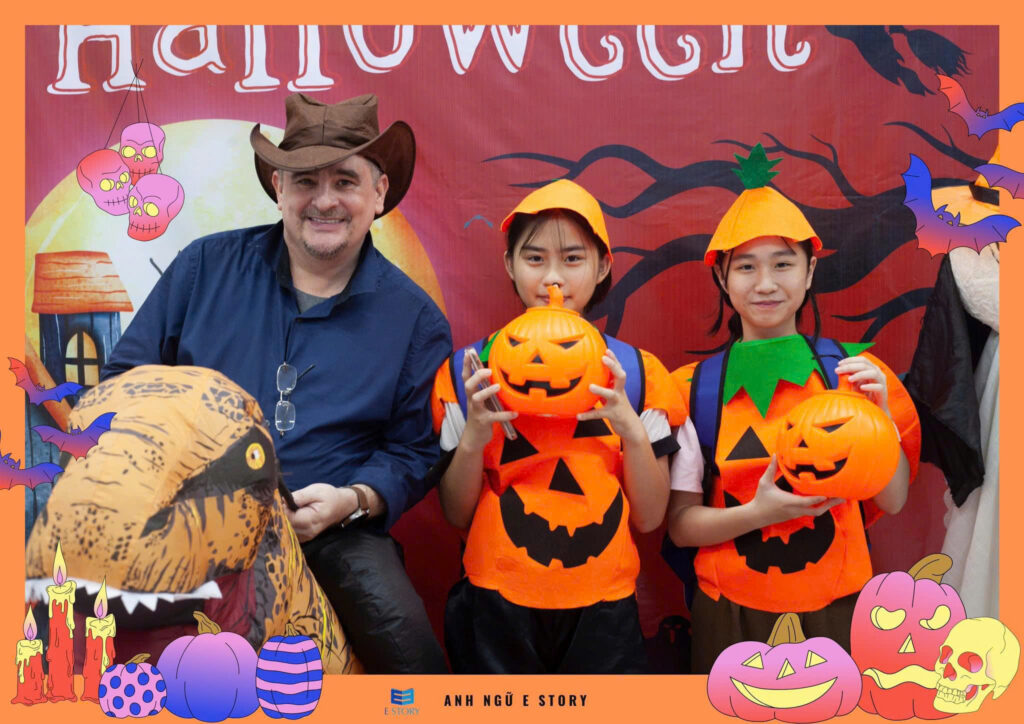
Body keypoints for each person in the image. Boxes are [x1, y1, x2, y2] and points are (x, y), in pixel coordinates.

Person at [101, 93, 451, 674]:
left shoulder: (415, 320)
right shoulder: (203, 268)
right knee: (79, 626)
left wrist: (354, 500)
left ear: (379, 193)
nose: (324, 200)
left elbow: (414, 451)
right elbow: (124, 382)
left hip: (332, 530)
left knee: (409, 648)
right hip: (187, 513)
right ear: (278, 187)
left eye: (345, 181)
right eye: (306, 180)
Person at [664, 145, 921, 674]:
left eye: (783, 264)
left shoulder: (854, 373)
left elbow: (892, 500)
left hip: (840, 608)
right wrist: (757, 514)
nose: (765, 283)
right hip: (729, 614)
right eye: (746, 267)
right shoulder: (690, 390)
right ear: (722, 279)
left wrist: (880, 419)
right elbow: (681, 526)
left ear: (809, 273)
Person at [431, 180, 686, 673]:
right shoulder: (467, 375)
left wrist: (631, 430)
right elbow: (456, 514)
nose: (553, 277)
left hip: (604, 610)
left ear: (602, 266)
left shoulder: (640, 375)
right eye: (534, 259)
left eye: (572, 259)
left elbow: (650, 518)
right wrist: (475, 437)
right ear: (509, 265)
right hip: (495, 604)